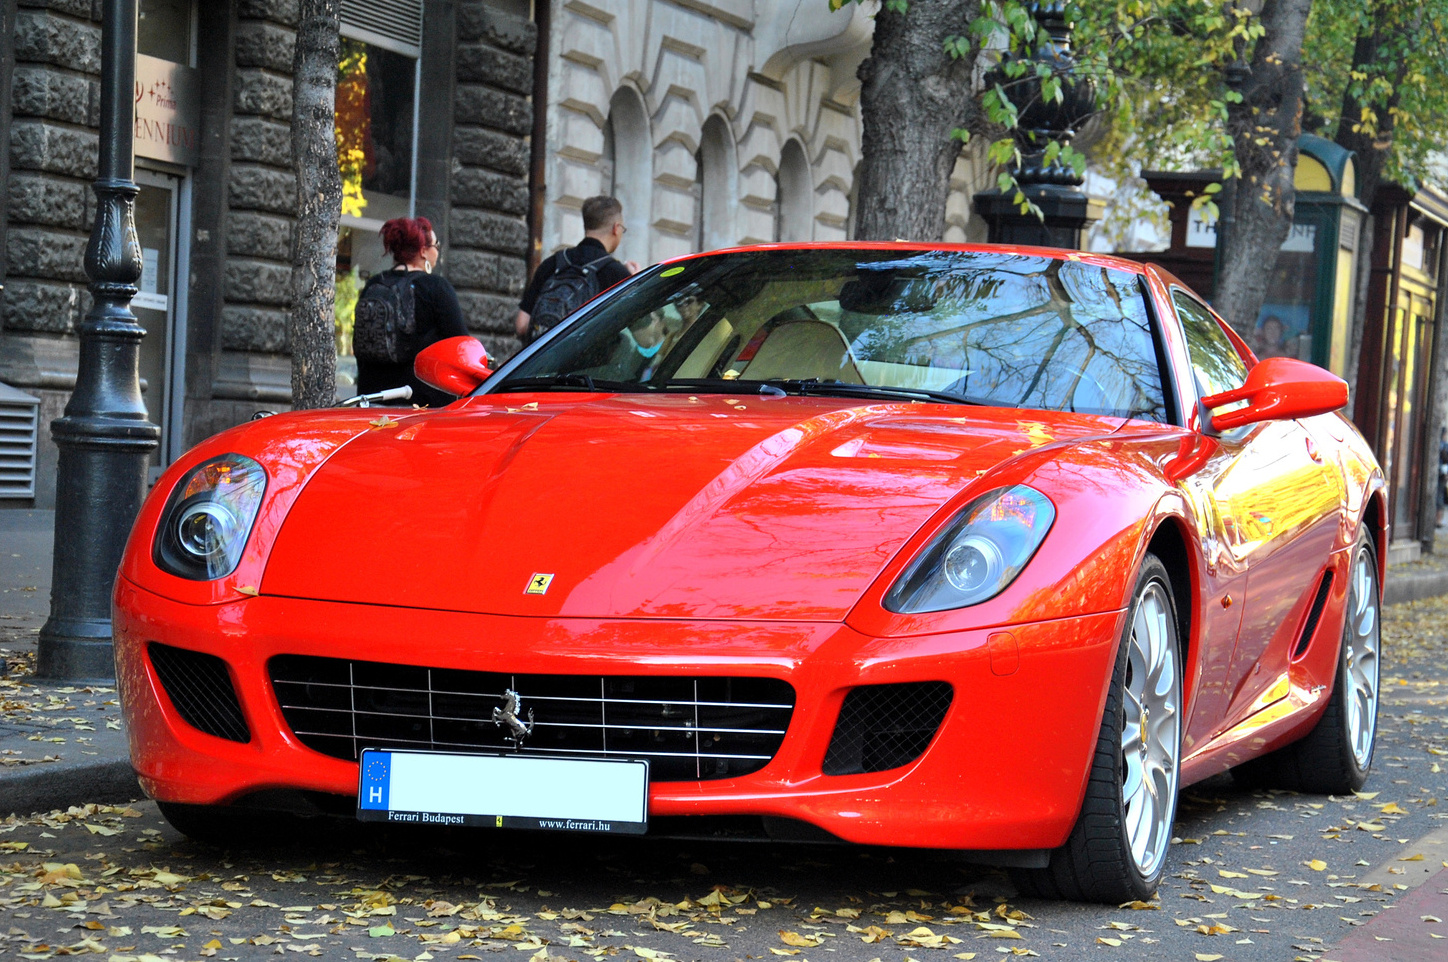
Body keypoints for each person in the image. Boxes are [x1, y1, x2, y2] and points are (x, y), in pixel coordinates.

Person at [355, 217, 469, 407]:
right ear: (423, 251)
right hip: (420, 404)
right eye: (436, 246)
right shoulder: (436, 287)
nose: (437, 252)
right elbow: (461, 346)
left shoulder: (373, 285)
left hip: (373, 400)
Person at [515, 195, 640, 344]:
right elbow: (645, 338)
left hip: (543, 364)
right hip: (588, 366)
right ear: (616, 228)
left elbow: (522, 325)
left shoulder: (552, 263)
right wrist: (638, 282)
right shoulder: (617, 274)